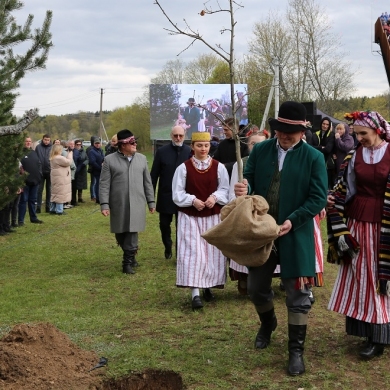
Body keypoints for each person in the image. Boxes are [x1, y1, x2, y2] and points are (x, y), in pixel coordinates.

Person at [234, 101, 327, 376]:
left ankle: (295, 350)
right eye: (281, 130)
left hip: (294, 232)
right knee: (255, 287)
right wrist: (244, 187)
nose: (285, 135)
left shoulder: (314, 157)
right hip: (262, 230)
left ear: (302, 131)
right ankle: (268, 323)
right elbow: (249, 179)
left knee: (297, 292)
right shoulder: (261, 150)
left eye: (291, 131)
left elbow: (318, 197)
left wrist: (293, 220)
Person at [327, 110, 390, 360]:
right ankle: (369, 332)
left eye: (363, 133)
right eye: (356, 134)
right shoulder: (354, 155)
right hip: (357, 221)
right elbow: (345, 185)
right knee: (361, 276)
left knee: (379, 276)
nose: (359, 138)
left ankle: (380, 335)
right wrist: (334, 196)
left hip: (384, 224)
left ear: (377, 130)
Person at [172, 132, 229, 311]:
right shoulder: (183, 168)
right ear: (192, 146)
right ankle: (195, 292)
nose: (203, 149)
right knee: (193, 253)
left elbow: (225, 189)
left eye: (206, 145)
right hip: (190, 216)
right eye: (199, 145)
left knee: (212, 252)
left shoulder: (219, 167)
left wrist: (215, 197)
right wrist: (192, 200)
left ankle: (209, 286)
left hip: (213, 215)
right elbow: (177, 193)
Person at [100, 129, 156, 274]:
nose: (135, 144)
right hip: (118, 203)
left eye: (135, 142)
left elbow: (147, 183)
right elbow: (104, 184)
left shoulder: (142, 159)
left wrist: (151, 201)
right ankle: (131, 255)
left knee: (132, 231)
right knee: (120, 232)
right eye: (132, 142)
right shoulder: (109, 160)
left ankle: (127, 263)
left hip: (137, 202)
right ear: (123, 145)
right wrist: (104, 204)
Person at [150, 126, 191, 259]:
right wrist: (150, 196)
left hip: (184, 196)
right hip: (166, 195)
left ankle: (180, 252)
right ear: (170, 136)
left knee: (182, 227)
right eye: (175, 135)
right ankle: (168, 246)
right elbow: (154, 174)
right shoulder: (162, 151)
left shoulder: (189, 151)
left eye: (180, 135)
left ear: (185, 135)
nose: (178, 138)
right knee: (164, 225)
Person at [18, 137, 43, 226]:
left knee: (32, 200)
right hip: (25, 182)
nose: (28, 143)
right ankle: (21, 220)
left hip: (35, 181)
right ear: (23, 142)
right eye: (26, 141)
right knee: (23, 201)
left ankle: (33, 218)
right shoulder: (20, 153)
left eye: (29, 141)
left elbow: (38, 164)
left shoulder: (33, 152)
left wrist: (39, 175)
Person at [310, 117, 335, 189]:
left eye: (327, 124)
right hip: (315, 161)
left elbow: (328, 150)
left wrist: (316, 148)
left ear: (329, 126)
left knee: (326, 184)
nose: (325, 126)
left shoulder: (332, 135)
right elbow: (309, 147)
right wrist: (320, 147)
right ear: (321, 124)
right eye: (324, 124)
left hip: (327, 163)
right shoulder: (315, 134)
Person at [49, 144, 73, 215]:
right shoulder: (58, 158)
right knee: (60, 193)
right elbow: (68, 162)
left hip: (56, 178)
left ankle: (52, 209)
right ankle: (59, 210)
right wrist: (70, 154)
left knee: (55, 193)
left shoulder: (53, 157)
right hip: (61, 179)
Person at [35, 134, 52, 213]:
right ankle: (38, 207)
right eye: (45, 140)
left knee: (49, 190)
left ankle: (48, 207)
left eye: (48, 140)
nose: (46, 141)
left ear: (50, 140)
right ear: (42, 139)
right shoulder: (38, 148)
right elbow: (36, 159)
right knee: (39, 190)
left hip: (49, 171)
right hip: (40, 171)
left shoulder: (52, 148)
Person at [88, 138, 104, 204]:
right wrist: (100, 168)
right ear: (94, 144)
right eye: (96, 143)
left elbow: (103, 158)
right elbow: (92, 162)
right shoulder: (91, 151)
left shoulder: (101, 150)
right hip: (96, 170)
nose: (97, 145)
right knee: (97, 184)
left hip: (102, 170)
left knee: (101, 184)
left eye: (98, 143)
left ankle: (100, 197)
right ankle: (97, 198)